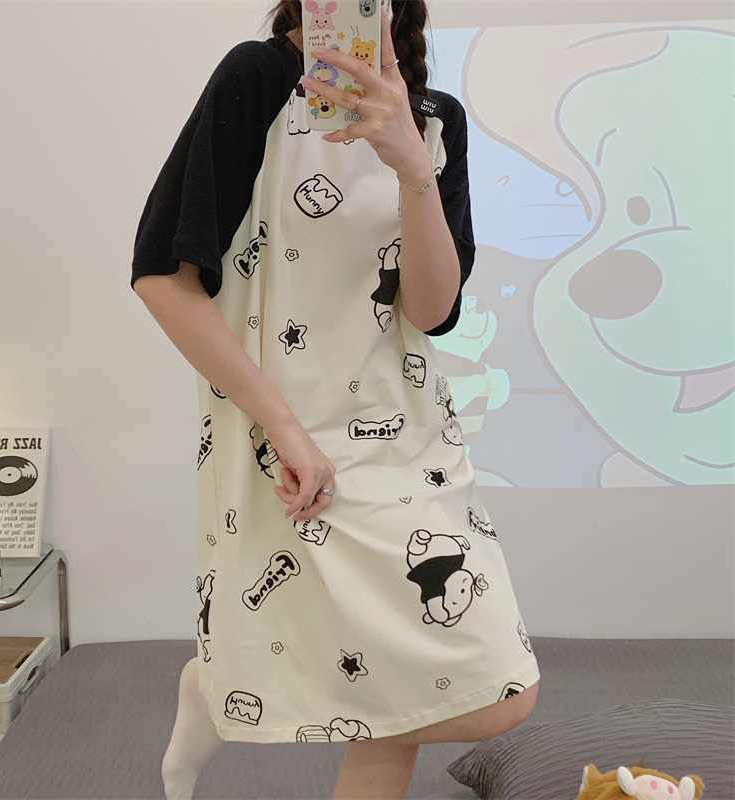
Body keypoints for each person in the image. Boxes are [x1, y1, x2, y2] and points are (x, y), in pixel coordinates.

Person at [131, 1, 540, 798]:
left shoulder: (435, 118)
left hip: (411, 440)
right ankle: (218, 692)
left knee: (493, 692)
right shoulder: (255, 78)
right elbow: (162, 279)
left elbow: (430, 311)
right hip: (287, 438)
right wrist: (281, 427)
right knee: (394, 690)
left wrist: (411, 163)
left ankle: (212, 693)